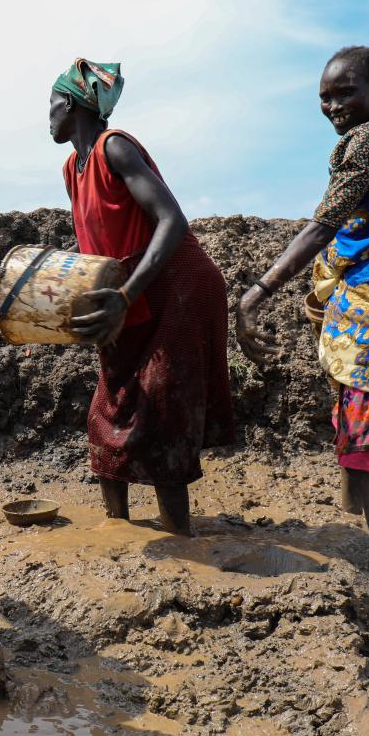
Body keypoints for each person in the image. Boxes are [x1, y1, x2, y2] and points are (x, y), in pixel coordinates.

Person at [235, 46, 369, 572]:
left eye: (345, 92)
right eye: (324, 98)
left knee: (368, 439)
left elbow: (325, 222)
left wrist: (258, 292)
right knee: (353, 408)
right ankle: (359, 519)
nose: (333, 106)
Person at [49, 59, 234, 536]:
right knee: (108, 410)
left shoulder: (116, 148)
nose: (46, 115)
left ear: (70, 103)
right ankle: (120, 532)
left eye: (51, 104)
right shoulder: (74, 166)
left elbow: (172, 221)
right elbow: (99, 242)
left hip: (176, 288)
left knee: (161, 412)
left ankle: (179, 540)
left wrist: (125, 296)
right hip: (127, 291)